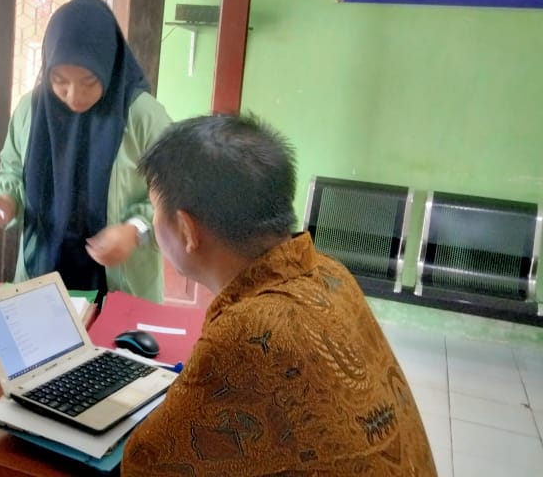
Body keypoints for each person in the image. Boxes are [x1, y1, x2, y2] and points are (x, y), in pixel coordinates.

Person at [123, 114, 435, 475]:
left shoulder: (247, 331)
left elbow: (144, 464)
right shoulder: (330, 273)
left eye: (155, 209)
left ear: (186, 229)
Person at [0, 0, 171, 301]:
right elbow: (12, 172)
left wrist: (135, 230)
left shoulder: (142, 115)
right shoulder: (31, 110)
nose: (73, 95)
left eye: (88, 82)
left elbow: (174, 197)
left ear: (108, 64)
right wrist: (4, 203)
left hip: (120, 287)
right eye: (59, 80)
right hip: (40, 280)